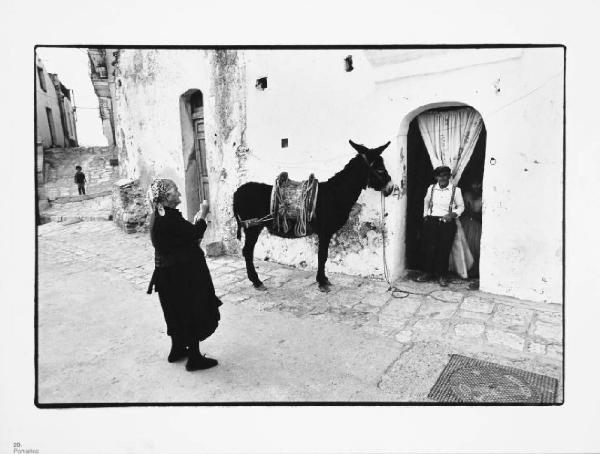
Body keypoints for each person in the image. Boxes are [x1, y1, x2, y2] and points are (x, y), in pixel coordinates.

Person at [146, 179, 222, 371]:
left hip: (167, 273)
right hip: (183, 274)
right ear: (166, 197)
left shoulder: (159, 215)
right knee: (191, 310)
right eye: (175, 191)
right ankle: (194, 358)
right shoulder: (169, 218)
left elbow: (181, 236)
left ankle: (178, 349)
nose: (179, 193)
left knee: (175, 311)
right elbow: (195, 233)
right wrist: (203, 214)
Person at [416, 166, 464, 287]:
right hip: (431, 221)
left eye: (445, 175)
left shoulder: (455, 190)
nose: (442, 178)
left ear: (449, 176)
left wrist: (452, 214)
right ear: (436, 177)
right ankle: (427, 273)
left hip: (447, 223)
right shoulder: (431, 188)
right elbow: (426, 201)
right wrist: (425, 214)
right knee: (429, 248)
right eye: (440, 176)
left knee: (444, 249)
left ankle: (441, 275)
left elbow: (461, 207)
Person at [461, 181, 483, 286]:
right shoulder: (467, 195)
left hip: (477, 226)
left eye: (478, 184)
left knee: (475, 247)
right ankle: (463, 270)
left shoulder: (484, 196)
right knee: (465, 247)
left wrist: (475, 215)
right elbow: (463, 209)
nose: (476, 186)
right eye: (474, 183)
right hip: (466, 223)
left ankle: (473, 271)